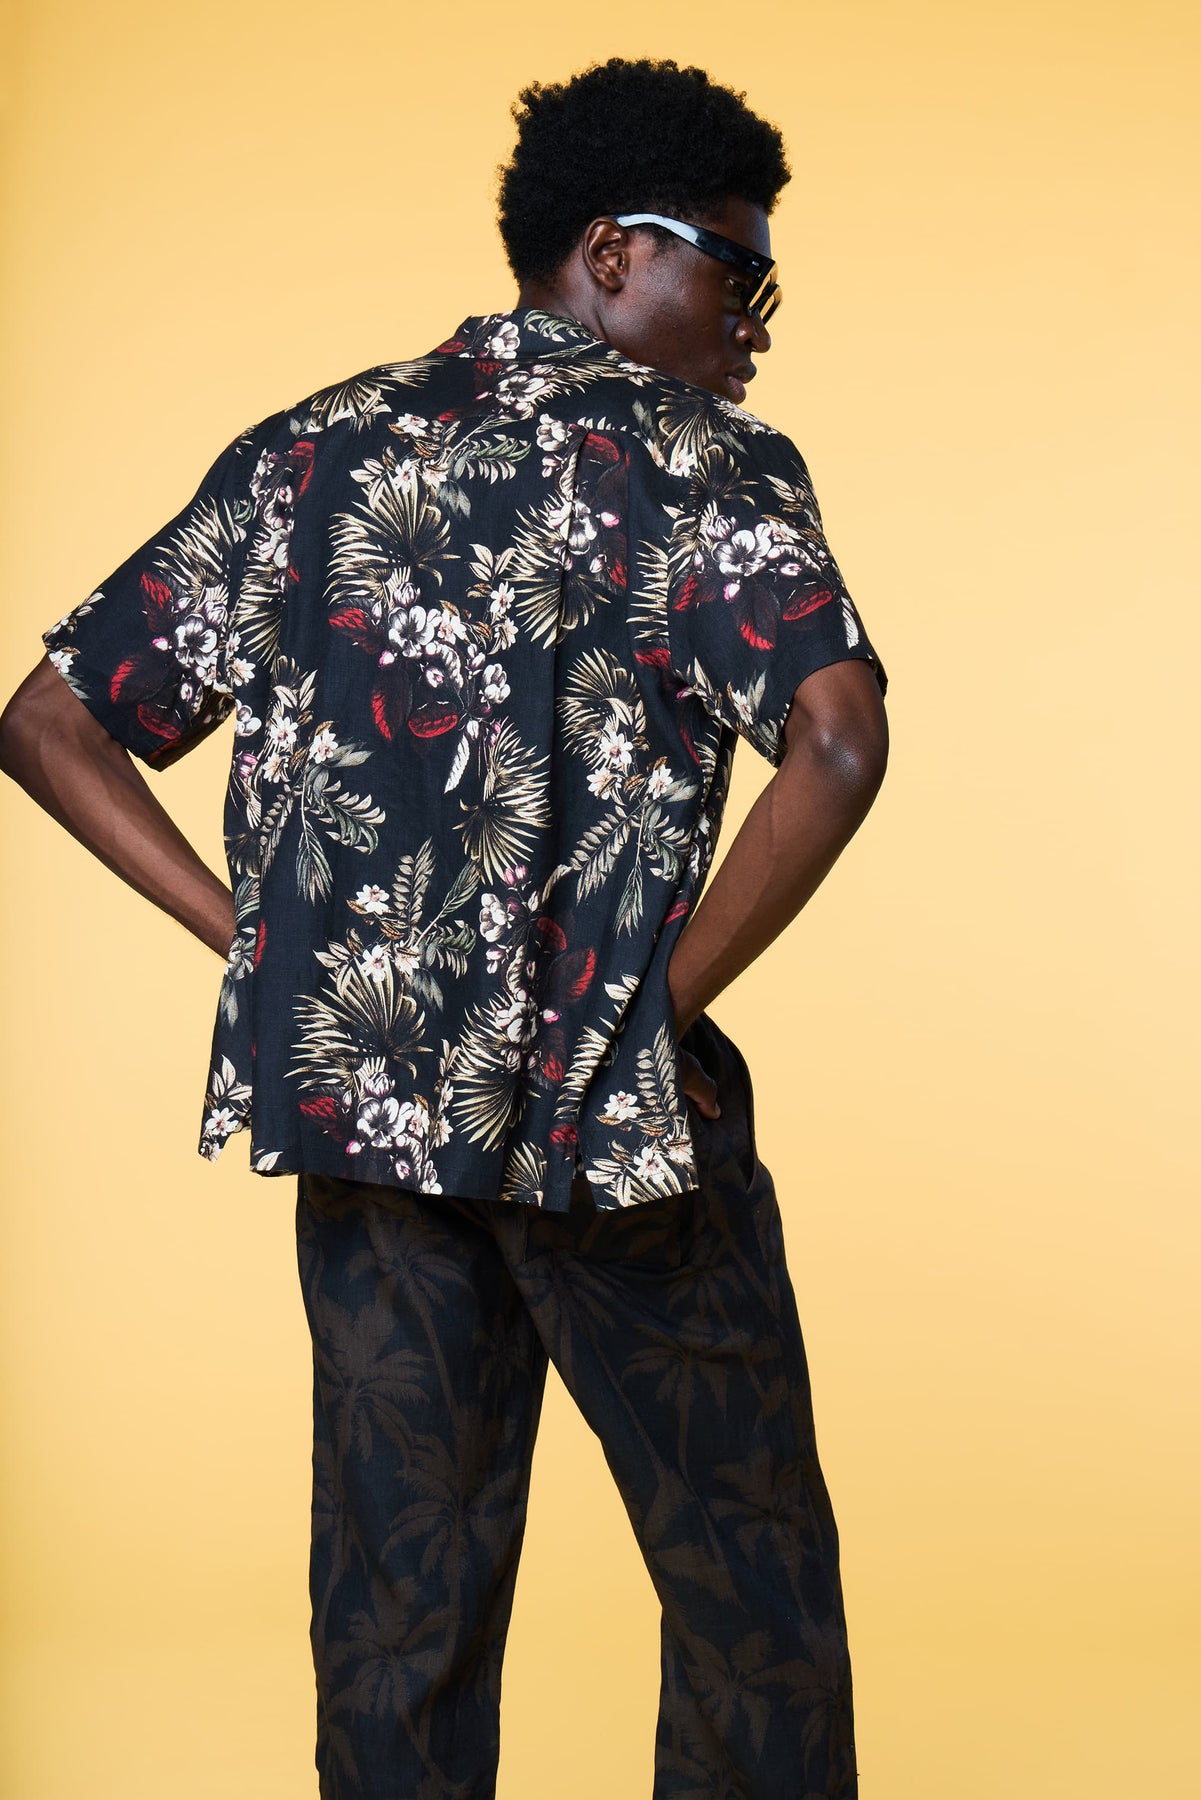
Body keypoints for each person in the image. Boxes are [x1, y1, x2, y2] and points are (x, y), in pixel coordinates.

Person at [0, 55, 889, 1800]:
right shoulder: (706, 465)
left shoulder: (315, 450)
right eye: (735, 268)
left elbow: (50, 720)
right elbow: (838, 746)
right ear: (609, 253)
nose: (757, 322)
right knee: (749, 1595)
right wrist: (652, 1013)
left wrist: (263, 945)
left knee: (396, 1620)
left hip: (373, 1115)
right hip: (617, 1138)